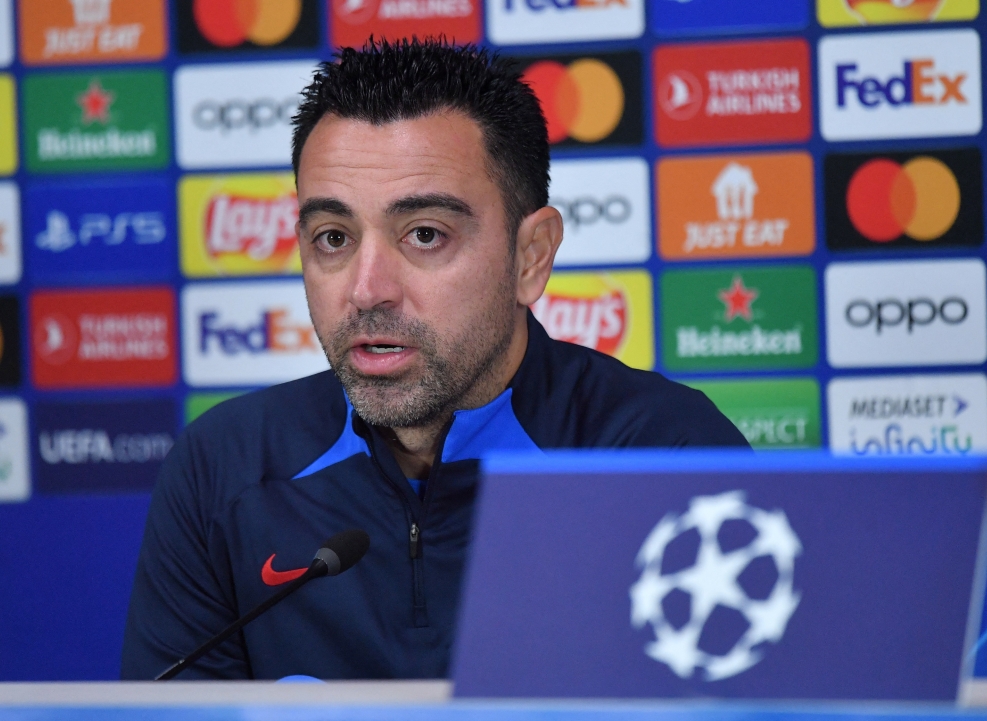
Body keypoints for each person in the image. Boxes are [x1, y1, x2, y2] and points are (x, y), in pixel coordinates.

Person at [121, 38, 749, 681]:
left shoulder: (665, 457)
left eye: (425, 234)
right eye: (332, 238)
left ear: (531, 256)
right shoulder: (223, 470)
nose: (367, 291)